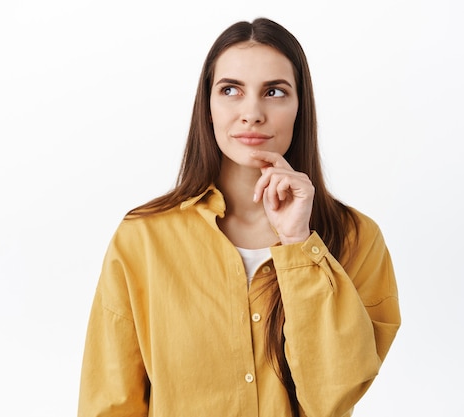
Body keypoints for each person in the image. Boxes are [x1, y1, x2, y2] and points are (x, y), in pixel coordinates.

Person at [77, 17, 401, 417]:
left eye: (275, 92)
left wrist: (298, 243)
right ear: (208, 107)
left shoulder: (356, 238)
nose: (252, 113)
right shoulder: (142, 238)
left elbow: (333, 396)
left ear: (300, 107)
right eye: (230, 90)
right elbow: (110, 404)